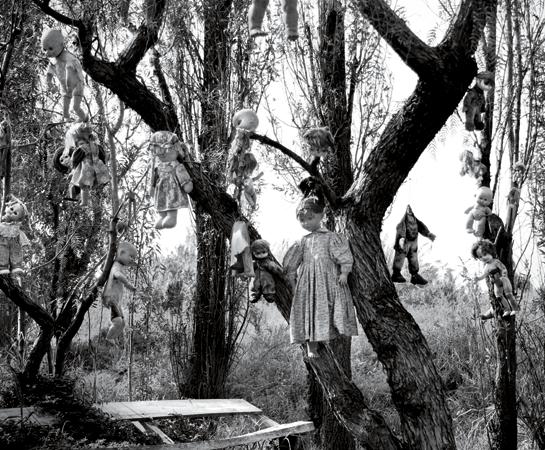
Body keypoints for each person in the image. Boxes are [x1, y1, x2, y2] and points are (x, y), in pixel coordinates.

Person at [283, 197, 358, 358]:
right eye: (302, 220)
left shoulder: (331, 237)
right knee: (310, 312)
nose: (306, 223)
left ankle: (332, 340)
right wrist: (292, 279)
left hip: (329, 281)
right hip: (308, 284)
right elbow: (292, 264)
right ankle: (312, 348)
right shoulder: (303, 241)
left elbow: (343, 256)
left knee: (328, 310)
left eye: (310, 218)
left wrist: (345, 272)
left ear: (321, 215)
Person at [472, 240, 518, 319]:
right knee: (499, 296)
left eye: (485, 254)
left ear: (490, 252)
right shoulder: (486, 267)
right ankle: (507, 309)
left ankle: (515, 308)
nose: (483, 257)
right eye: (480, 257)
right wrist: (478, 278)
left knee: (508, 294)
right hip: (496, 283)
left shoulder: (496, 262)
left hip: (503, 279)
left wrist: (504, 274)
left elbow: (503, 268)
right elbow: (484, 275)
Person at [102, 241, 137, 343]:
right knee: (118, 322)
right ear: (121, 253)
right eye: (131, 256)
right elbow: (117, 275)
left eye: (133, 258)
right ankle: (108, 339)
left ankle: (113, 338)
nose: (132, 259)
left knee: (122, 324)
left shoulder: (121, 265)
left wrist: (132, 263)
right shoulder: (116, 265)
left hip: (116, 300)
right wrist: (128, 284)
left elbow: (126, 265)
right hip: (111, 297)